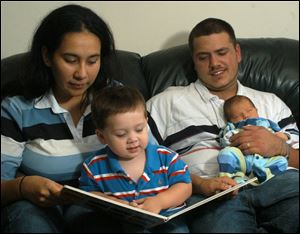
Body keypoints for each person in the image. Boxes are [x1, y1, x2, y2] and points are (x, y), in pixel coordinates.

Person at [146, 18, 299, 232]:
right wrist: (199, 184)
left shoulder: (270, 101)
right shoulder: (165, 103)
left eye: (221, 52)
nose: (214, 63)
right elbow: (144, 163)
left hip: (280, 184)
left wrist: (279, 147)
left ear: (237, 52)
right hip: (213, 195)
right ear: (194, 61)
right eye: (203, 57)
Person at [1, 4, 125, 233]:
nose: (82, 74)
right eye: (70, 59)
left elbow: (153, 157)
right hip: (36, 207)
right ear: (47, 56)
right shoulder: (16, 108)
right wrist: (22, 187)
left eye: (92, 61)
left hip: (101, 205)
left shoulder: (116, 98)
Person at [79, 86, 192, 233]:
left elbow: (185, 186)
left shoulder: (166, 157)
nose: (133, 139)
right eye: (121, 134)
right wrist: (114, 203)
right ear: (101, 136)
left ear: (147, 123)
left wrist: (160, 201)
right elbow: (88, 196)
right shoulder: (94, 167)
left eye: (139, 129)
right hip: (124, 225)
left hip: (168, 221)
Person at [218, 95, 288, 184]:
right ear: (230, 121)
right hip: (243, 159)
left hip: (264, 160)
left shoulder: (267, 123)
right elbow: (223, 141)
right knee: (226, 153)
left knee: (282, 161)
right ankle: (228, 180)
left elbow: (279, 133)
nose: (246, 115)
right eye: (237, 116)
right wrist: (233, 136)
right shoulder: (232, 128)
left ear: (256, 110)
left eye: (249, 110)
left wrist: (284, 137)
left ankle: (264, 175)